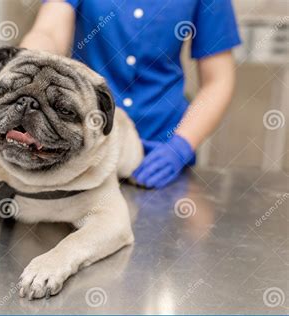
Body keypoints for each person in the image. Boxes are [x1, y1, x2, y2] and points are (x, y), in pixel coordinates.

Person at [18, 0, 241, 188]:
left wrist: (180, 147)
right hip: (85, 151)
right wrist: (17, 77)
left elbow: (218, 80)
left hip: (159, 149)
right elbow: (48, 33)